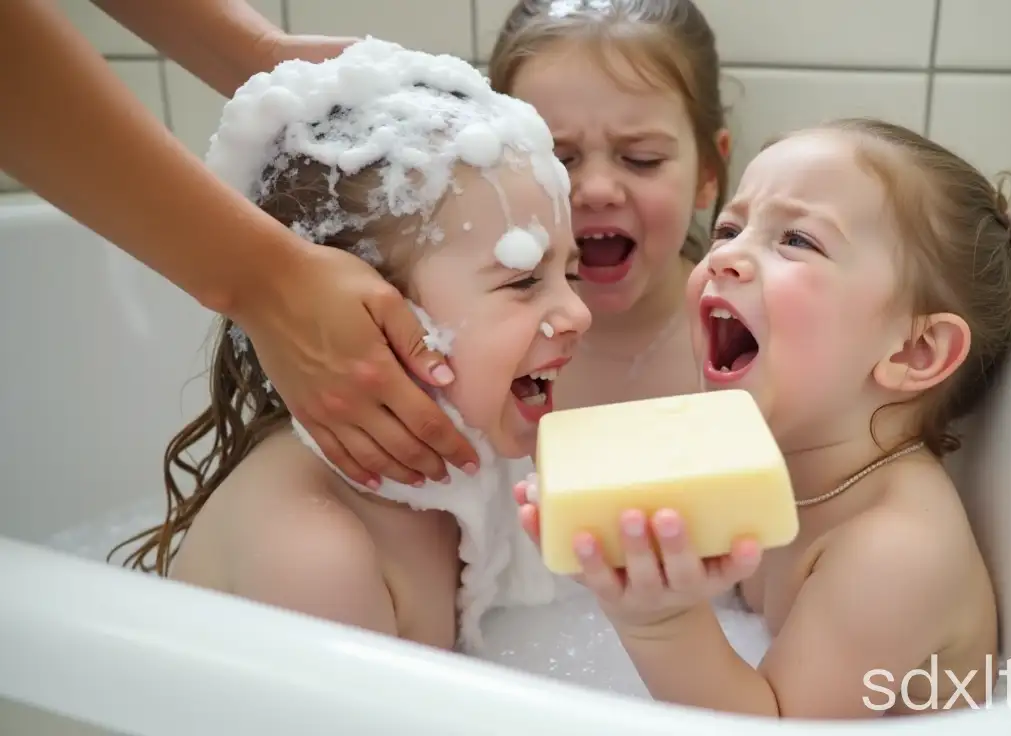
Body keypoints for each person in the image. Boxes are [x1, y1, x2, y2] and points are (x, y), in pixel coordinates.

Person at [515, 118, 1011, 717]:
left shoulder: (895, 550)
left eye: (797, 241)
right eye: (729, 228)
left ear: (914, 351)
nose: (725, 257)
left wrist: (662, 624)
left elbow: (773, 728)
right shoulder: (776, 453)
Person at [112, 40, 591, 652]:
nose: (579, 313)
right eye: (524, 280)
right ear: (360, 313)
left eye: (569, 274)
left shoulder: (465, 473)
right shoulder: (315, 558)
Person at [0, 0, 481, 489]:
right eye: (523, 281)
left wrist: (264, 59)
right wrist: (263, 279)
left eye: (566, 268)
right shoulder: (306, 539)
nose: (566, 312)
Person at [484, 0, 731, 411]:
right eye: (556, 161)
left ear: (708, 171)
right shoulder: (462, 348)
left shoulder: (753, 345)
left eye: (642, 158)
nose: (596, 190)